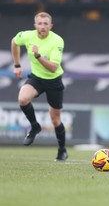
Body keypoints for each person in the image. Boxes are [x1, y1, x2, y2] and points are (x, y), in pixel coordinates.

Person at [11, 12, 68, 161]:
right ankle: (35, 126)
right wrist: (17, 65)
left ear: (51, 26)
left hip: (53, 80)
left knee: (55, 119)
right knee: (22, 99)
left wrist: (37, 56)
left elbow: (53, 68)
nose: (42, 27)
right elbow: (14, 42)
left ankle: (62, 150)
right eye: (39, 23)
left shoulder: (57, 41)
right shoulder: (28, 36)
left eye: (45, 24)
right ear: (35, 25)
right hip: (37, 78)